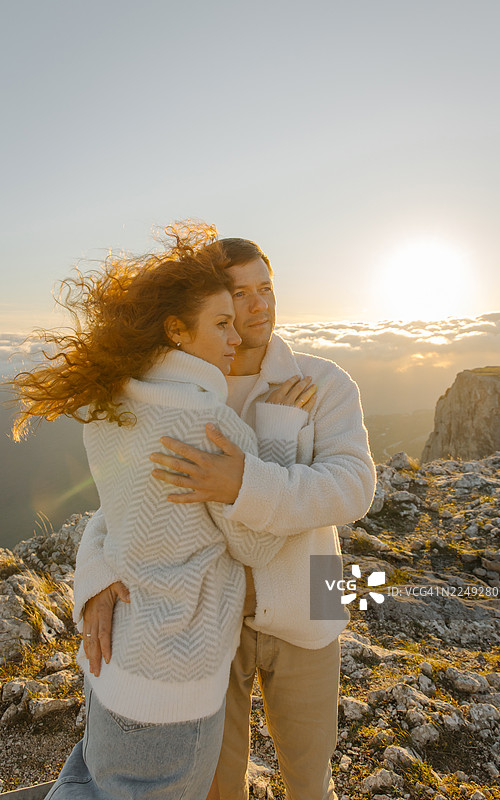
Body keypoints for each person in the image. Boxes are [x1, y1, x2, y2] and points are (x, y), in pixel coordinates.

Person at [11, 222, 317, 800]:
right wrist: (276, 436)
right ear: (177, 330)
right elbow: (254, 544)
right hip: (178, 681)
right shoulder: (211, 425)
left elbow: (119, 509)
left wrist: (97, 572)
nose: (235, 333)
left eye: (264, 291)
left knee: (88, 781)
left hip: (115, 661)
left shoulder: (111, 404)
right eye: (222, 321)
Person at [81, 235, 377, 800]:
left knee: (311, 778)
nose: (259, 305)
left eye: (266, 288)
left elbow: (354, 487)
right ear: (213, 302)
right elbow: (125, 498)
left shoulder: (326, 380)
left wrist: (245, 480)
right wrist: (95, 574)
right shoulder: (181, 390)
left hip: (315, 600)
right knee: (220, 786)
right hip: (213, 620)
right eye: (240, 294)